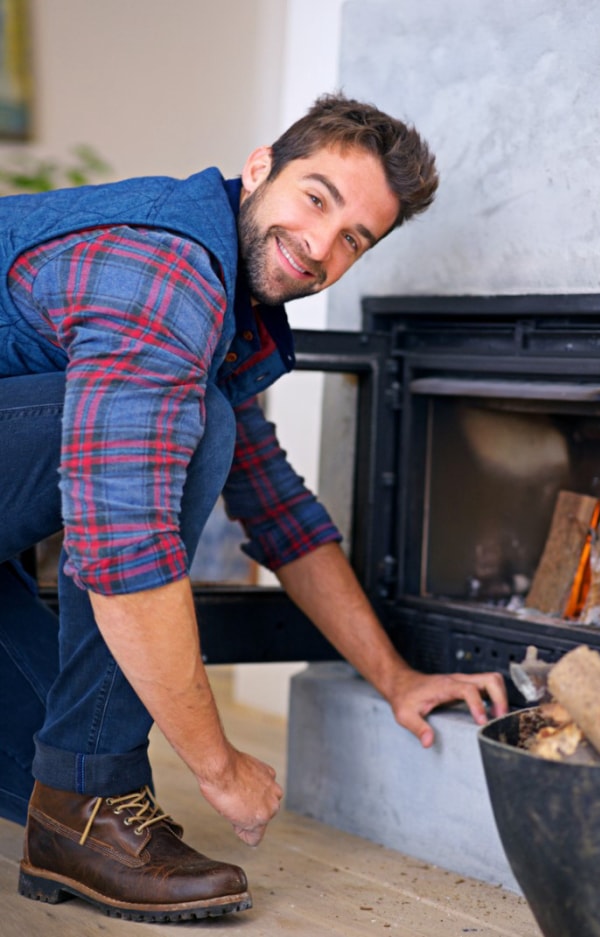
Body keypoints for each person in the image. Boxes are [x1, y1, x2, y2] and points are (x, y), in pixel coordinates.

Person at [0, 93, 508, 923]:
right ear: (259, 166)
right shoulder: (165, 269)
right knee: (197, 437)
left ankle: (76, 811)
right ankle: (88, 808)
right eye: (317, 198)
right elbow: (122, 539)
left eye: (355, 239)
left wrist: (398, 678)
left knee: (48, 771)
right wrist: (220, 766)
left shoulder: (235, 315)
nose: (321, 246)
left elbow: (279, 514)